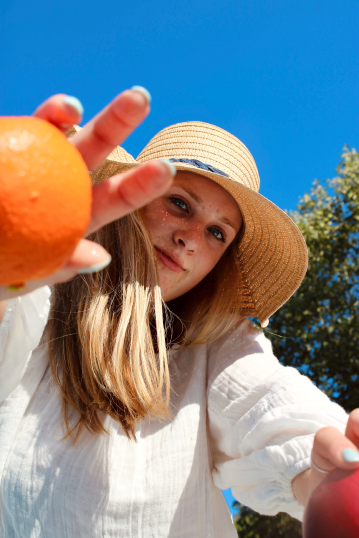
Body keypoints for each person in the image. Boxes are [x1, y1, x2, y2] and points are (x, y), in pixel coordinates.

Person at [0, 88, 358, 538]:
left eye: (215, 232)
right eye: (179, 203)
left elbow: (270, 410)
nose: (191, 238)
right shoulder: (37, 305)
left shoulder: (217, 346)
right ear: (128, 200)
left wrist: (326, 476)